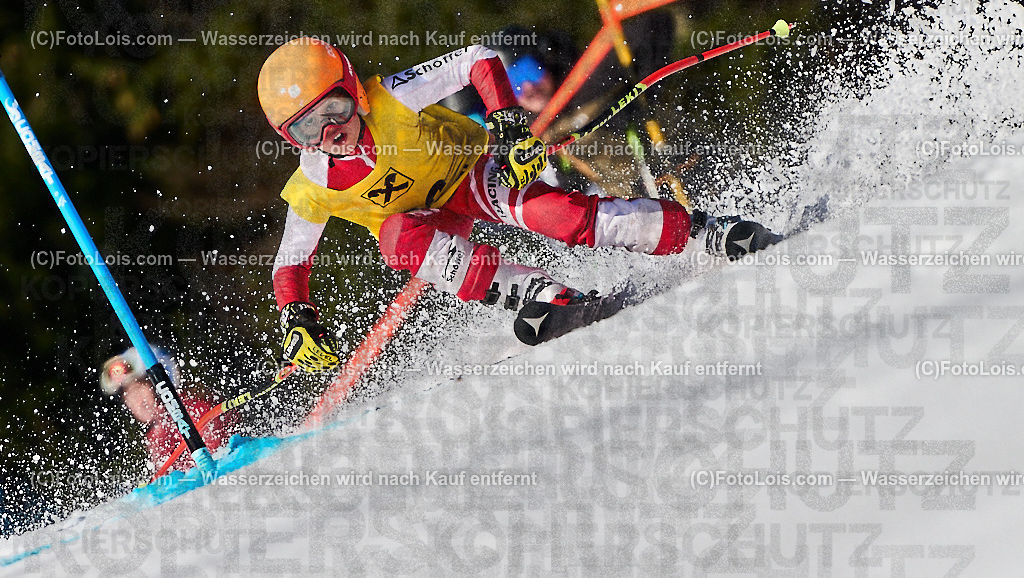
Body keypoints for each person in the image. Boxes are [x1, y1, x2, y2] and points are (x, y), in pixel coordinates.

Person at [257, 37, 775, 371]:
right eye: (307, 127)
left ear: (355, 91)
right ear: (291, 139)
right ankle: (542, 295)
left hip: (473, 173)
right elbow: (291, 261)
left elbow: (476, 58)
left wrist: (506, 122)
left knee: (562, 216)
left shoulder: (391, 97)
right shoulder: (313, 183)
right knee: (397, 241)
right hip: (425, 225)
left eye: (336, 108)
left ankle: (703, 232)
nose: (331, 130)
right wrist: (296, 316)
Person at [100, 347, 233, 473]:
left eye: (139, 388)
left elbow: (214, 468)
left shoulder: (196, 411)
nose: (136, 400)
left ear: (160, 385)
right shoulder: (155, 435)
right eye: (127, 394)